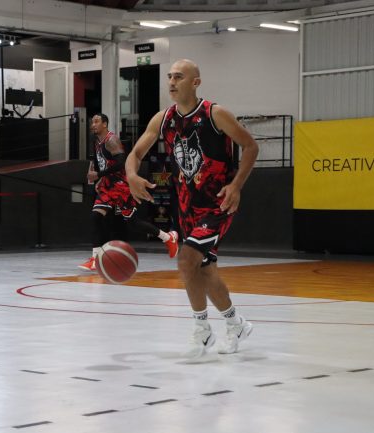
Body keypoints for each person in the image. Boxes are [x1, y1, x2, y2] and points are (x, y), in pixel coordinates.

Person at [125, 59, 259, 356]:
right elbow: (135, 154)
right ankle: (235, 323)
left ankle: (202, 330)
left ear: (195, 82)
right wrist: (131, 175)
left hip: (217, 204)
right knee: (204, 271)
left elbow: (251, 146)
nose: (172, 82)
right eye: (170, 77)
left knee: (186, 260)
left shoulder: (215, 114)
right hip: (186, 208)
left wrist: (236, 185)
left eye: (179, 77)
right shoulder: (163, 119)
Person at [79, 113, 179, 271]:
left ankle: (168, 237)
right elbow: (105, 164)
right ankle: (95, 258)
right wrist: (100, 179)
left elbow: (121, 162)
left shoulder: (111, 140)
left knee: (132, 222)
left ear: (105, 124)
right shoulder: (97, 142)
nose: (93, 124)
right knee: (96, 217)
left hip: (120, 185)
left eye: (96, 121)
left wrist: (99, 175)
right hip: (108, 186)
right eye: (92, 122)